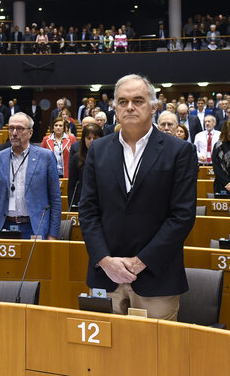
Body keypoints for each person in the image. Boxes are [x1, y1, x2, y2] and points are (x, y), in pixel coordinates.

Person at [78, 74, 197, 318]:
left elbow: (181, 216)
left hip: (156, 278)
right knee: (102, 354)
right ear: (114, 108)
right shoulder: (98, 150)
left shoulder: (179, 151)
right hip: (106, 277)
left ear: (154, 107)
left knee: (156, 354)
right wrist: (105, 260)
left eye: (138, 100)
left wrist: (141, 261)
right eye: (122, 101)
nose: (130, 107)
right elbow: (88, 211)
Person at [0, 112, 61, 239]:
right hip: (4, 226)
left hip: (34, 227)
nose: (14, 133)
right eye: (11, 128)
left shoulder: (46, 157)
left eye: (20, 128)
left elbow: (55, 199)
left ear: (30, 133)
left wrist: (52, 234)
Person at [66, 123, 103, 209]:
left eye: (95, 138)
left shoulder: (108, 156)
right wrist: (72, 207)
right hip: (82, 201)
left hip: (103, 200)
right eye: (89, 138)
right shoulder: (77, 158)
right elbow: (71, 185)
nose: (92, 141)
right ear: (84, 140)